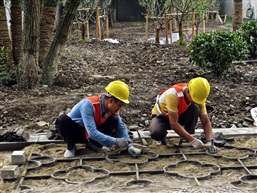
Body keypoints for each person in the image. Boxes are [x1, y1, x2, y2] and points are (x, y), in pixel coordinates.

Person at [55, 80, 142, 158]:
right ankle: (71, 147)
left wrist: (130, 146)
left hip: (90, 132)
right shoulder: (88, 105)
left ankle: (94, 145)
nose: (120, 108)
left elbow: (120, 127)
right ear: (111, 101)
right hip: (76, 132)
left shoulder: (112, 108)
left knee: (114, 119)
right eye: (119, 105)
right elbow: (92, 132)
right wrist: (115, 141)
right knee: (62, 120)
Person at [148, 77, 218, 154]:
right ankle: (165, 138)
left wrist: (209, 141)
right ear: (188, 92)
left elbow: (205, 121)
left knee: (194, 108)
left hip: (179, 115)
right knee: (156, 133)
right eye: (194, 99)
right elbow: (174, 124)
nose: (196, 101)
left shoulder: (198, 96)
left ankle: (187, 137)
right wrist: (193, 140)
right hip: (162, 117)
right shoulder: (173, 95)